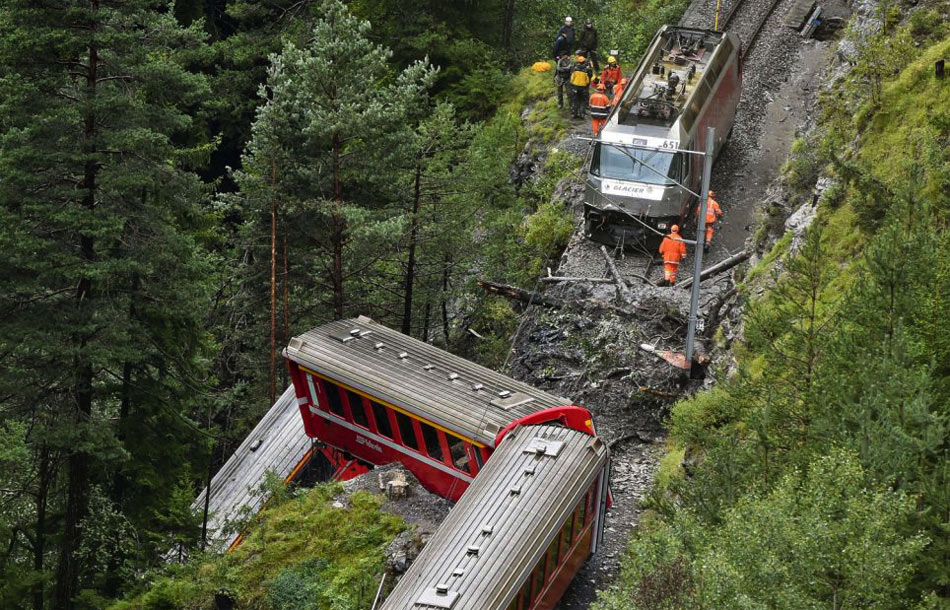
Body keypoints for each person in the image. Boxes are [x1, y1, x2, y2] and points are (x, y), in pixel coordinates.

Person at [568, 52, 593, 119]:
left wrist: (572, 85)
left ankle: (574, 114)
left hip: (575, 87)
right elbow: (588, 80)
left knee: (575, 100)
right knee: (582, 100)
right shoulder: (586, 69)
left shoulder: (574, 68)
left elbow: (571, 78)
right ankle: (582, 114)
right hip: (583, 87)